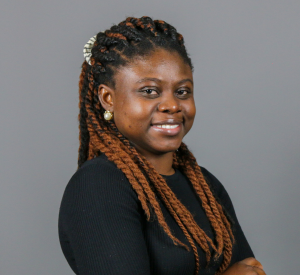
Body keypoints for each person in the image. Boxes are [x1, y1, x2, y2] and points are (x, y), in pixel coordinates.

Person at [58, 16, 266, 275]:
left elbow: (252, 270)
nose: (173, 105)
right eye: (149, 91)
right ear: (107, 98)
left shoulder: (204, 184)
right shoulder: (99, 185)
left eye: (182, 92)